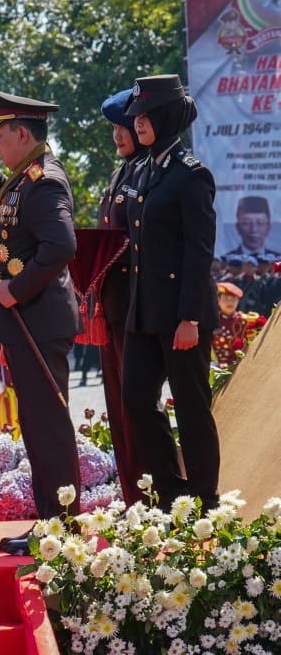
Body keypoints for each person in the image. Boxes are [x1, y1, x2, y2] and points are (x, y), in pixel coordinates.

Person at [0, 88, 81, 553]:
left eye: (1, 135)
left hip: (38, 320)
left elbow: (60, 246)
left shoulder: (46, 180)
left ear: (23, 133)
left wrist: (15, 288)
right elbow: (11, 210)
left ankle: (61, 529)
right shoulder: (25, 178)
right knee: (36, 423)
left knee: (47, 424)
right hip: (28, 322)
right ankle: (52, 524)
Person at [122, 74, 220, 514]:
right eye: (136, 116)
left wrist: (191, 318)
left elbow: (199, 254)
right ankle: (170, 491)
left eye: (145, 115)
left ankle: (204, 498)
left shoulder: (191, 176)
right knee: (137, 398)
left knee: (192, 406)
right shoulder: (142, 171)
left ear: (165, 116)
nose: (138, 123)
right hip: (144, 313)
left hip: (182, 315)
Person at [94, 88, 147, 507]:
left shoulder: (147, 173)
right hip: (111, 308)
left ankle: (148, 497)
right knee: (118, 409)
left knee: (138, 409)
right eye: (113, 128)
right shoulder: (119, 175)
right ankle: (132, 498)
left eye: (122, 127)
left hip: (136, 309)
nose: (117, 136)